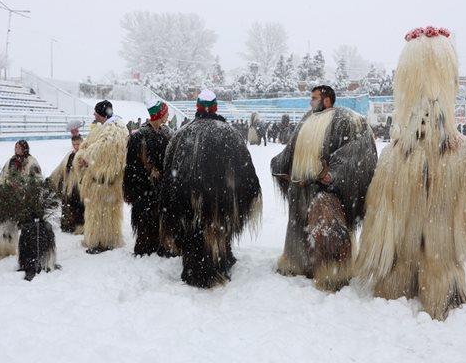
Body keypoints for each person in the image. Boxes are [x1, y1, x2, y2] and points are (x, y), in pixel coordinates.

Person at [356, 26, 466, 320]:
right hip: (444, 258)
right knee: (440, 262)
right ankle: (440, 285)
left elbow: (380, 216)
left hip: (401, 252)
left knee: (399, 258)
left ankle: (399, 278)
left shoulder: (394, 156)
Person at [271, 85, 378, 291]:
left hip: (327, 192)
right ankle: (300, 263)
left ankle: (332, 272)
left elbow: (358, 152)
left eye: (314, 98)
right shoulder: (306, 120)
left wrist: (334, 174)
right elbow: (291, 151)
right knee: (300, 229)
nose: (310, 102)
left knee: (328, 232)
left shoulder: (348, 120)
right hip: (301, 190)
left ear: (327, 100)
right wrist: (278, 165)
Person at [161, 90, 262, 288]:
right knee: (218, 232)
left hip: (188, 202)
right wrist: (246, 195)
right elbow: (245, 173)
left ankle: (193, 268)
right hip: (220, 203)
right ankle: (219, 262)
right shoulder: (230, 133)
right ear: (215, 108)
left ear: (197, 107)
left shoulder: (180, 135)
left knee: (193, 234)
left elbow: (168, 174)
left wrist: (172, 205)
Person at [73, 100, 128, 254]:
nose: (93, 115)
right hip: (101, 182)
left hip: (104, 182)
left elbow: (103, 150)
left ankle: (102, 242)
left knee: (102, 214)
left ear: (101, 113)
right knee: (101, 213)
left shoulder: (114, 130)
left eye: (95, 112)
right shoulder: (105, 128)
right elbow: (88, 145)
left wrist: (85, 157)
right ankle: (102, 239)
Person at [0, 140, 43, 263]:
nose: (16, 149)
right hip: (8, 196)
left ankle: (6, 249)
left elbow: (37, 182)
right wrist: (1, 189)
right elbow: (3, 177)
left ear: (25, 149)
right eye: (15, 147)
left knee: (7, 220)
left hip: (23, 198)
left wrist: (20, 186)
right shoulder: (11, 161)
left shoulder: (31, 163)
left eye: (19, 147)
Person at [123, 100, 174, 256]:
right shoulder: (139, 136)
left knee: (162, 217)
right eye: (165, 112)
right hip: (144, 188)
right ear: (159, 114)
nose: (168, 115)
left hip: (162, 187)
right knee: (145, 219)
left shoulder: (168, 133)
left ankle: (162, 244)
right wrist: (148, 174)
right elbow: (131, 166)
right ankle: (145, 246)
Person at [48, 135, 85, 234]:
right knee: (69, 205)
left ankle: (81, 227)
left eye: (78, 144)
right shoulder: (70, 155)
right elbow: (61, 169)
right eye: (74, 144)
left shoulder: (87, 154)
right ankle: (69, 225)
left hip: (82, 186)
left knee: (81, 207)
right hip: (69, 186)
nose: (76, 146)